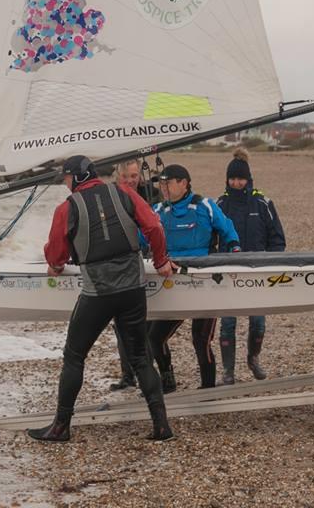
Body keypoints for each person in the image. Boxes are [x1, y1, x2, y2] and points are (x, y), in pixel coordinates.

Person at [27, 154, 175, 443]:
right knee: (141, 358)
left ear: (77, 176)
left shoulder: (66, 208)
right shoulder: (123, 192)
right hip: (133, 290)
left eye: (66, 178)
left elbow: (56, 252)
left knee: (74, 356)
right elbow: (155, 227)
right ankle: (161, 427)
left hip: (98, 294)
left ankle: (60, 427)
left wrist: (55, 266)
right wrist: (161, 261)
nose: (65, 183)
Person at [148, 163, 240, 391]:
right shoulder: (158, 210)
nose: (164, 188)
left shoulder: (205, 206)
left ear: (184, 183)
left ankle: (207, 389)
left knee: (201, 340)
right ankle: (168, 381)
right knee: (154, 338)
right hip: (173, 284)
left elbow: (229, 233)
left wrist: (236, 253)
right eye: (161, 183)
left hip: (204, 284)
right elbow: (140, 238)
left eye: (168, 182)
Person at [217, 148, 286, 384]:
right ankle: (228, 370)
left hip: (257, 272)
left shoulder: (263, 203)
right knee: (228, 322)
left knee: (258, 321)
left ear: (248, 178)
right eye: (232, 179)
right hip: (228, 273)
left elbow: (278, 239)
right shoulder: (220, 205)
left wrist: (271, 265)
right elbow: (211, 241)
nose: (236, 183)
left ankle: (253, 359)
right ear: (227, 179)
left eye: (240, 178)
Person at [109, 158, 159, 391]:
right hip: (121, 263)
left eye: (134, 176)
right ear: (117, 176)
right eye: (125, 177)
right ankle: (127, 375)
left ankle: (150, 377)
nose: (130, 181)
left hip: (148, 262)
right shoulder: (107, 196)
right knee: (120, 324)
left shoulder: (153, 194)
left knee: (145, 327)